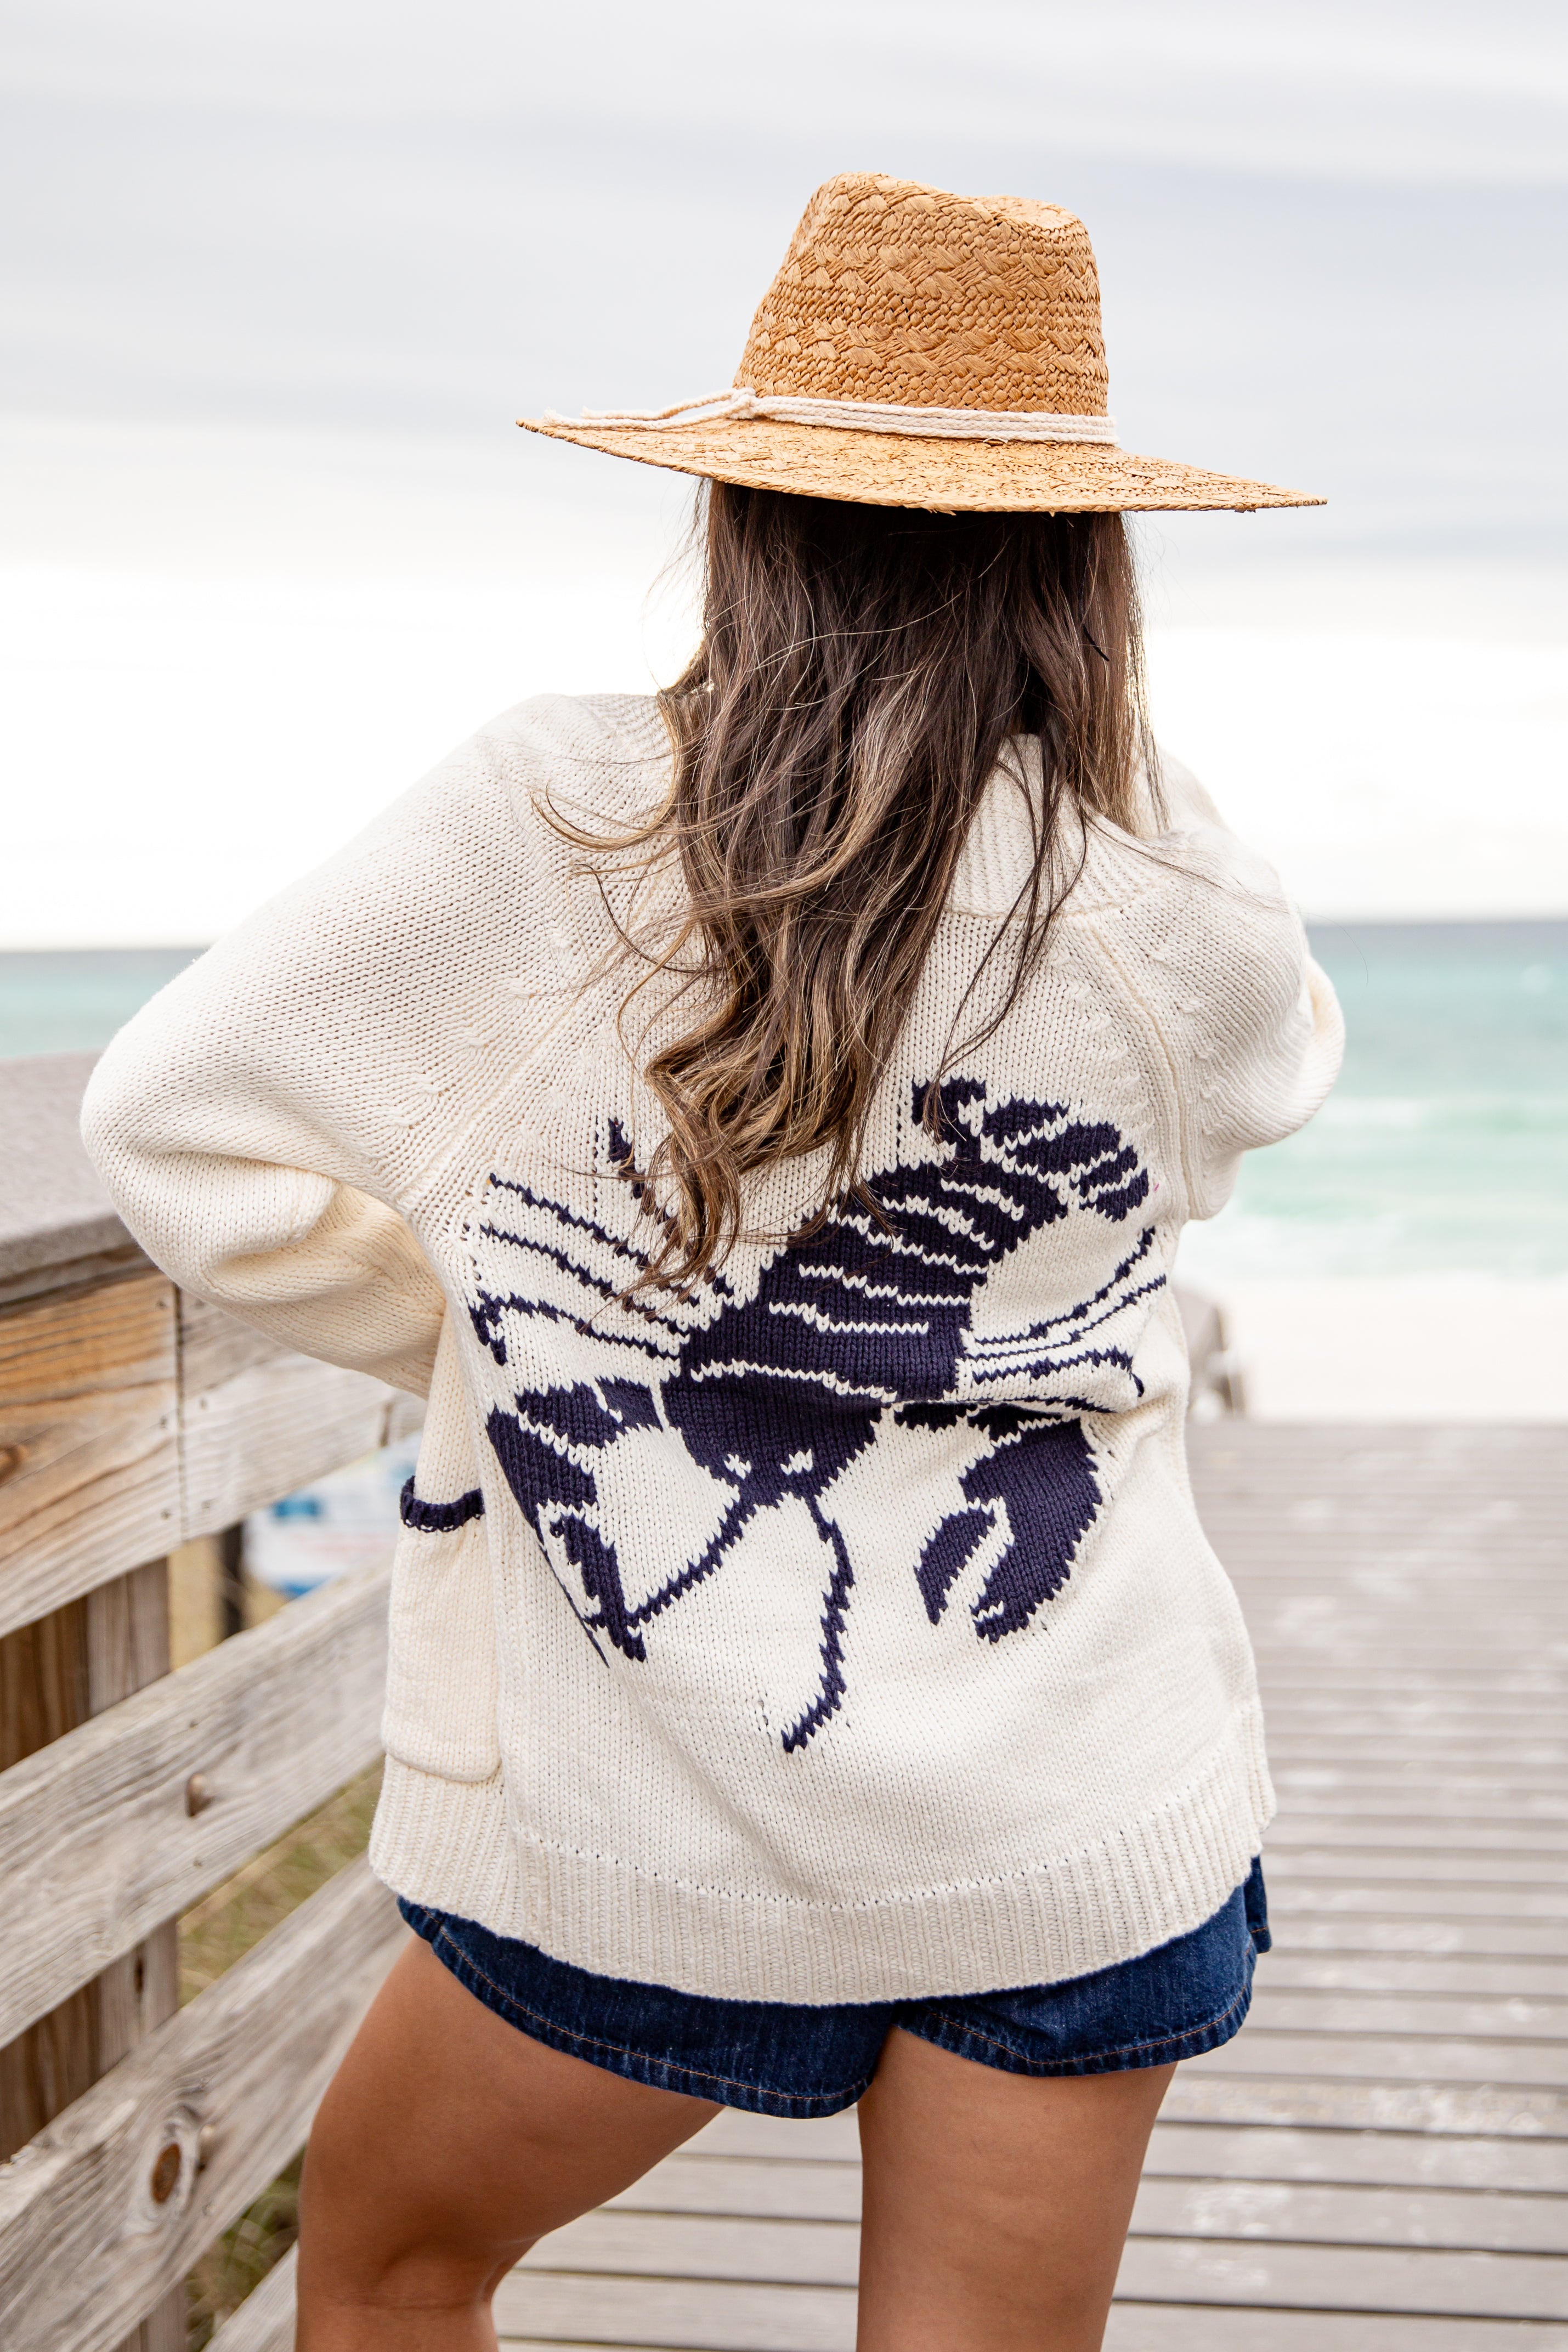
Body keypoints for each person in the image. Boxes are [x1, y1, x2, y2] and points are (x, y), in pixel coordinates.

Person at [83, 174, 1342, 2352]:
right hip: (1072, 1809)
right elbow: (1247, 1113)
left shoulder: (558, 817)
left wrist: (512, 1339)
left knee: (391, 2275)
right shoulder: (1168, 890)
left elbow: (174, 1123)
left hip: (648, 1818)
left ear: (743, 506)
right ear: (1088, 551)